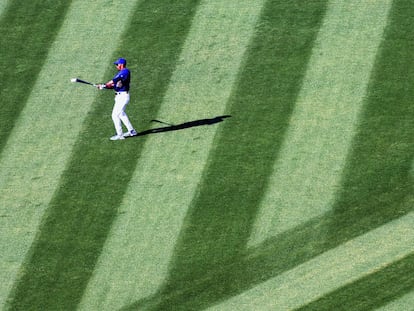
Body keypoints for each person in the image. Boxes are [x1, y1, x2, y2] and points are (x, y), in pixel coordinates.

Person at [97, 58, 137, 140]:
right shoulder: (120, 73)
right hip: (119, 97)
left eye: (117, 64)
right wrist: (104, 86)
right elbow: (114, 86)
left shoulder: (125, 71)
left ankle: (120, 134)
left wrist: (105, 84)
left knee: (115, 115)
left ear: (121, 65)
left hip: (123, 96)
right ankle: (131, 131)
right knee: (121, 114)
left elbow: (115, 80)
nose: (116, 66)